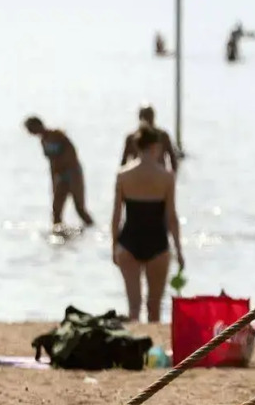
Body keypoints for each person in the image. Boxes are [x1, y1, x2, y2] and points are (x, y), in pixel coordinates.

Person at [110, 124, 184, 322]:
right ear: (155, 146)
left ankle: (133, 350)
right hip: (158, 243)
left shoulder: (123, 175)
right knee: (154, 309)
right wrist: (179, 249)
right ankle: (152, 351)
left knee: (134, 307)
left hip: (128, 242)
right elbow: (171, 217)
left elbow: (116, 216)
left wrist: (114, 245)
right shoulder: (167, 177)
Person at [24, 117, 93, 229]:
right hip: (60, 176)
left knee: (80, 209)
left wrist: (67, 168)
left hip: (73, 173)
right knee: (56, 211)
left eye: (31, 128)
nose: (30, 132)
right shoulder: (43, 141)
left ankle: (93, 230)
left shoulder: (57, 134)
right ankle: (59, 236)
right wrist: (54, 182)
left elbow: (72, 153)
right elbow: (51, 162)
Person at [120, 105, 180, 171]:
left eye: (149, 117)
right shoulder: (131, 138)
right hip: (139, 175)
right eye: (145, 117)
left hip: (158, 175)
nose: (147, 121)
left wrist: (170, 177)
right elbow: (123, 162)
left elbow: (173, 159)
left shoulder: (163, 136)